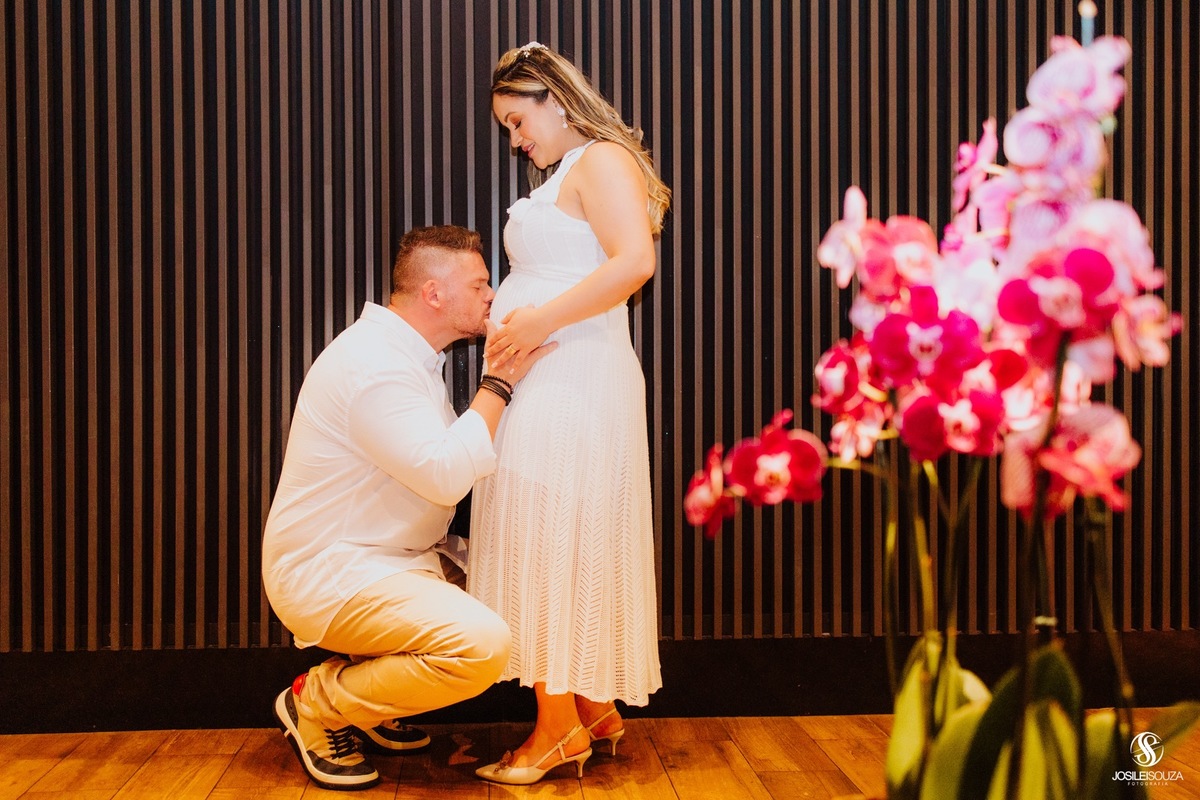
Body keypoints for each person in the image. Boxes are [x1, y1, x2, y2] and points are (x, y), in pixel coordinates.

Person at [261, 225, 555, 791]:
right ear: (434, 294)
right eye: (480, 283)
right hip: (333, 571)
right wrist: (498, 381)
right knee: (481, 646)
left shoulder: (407, 356)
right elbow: (445, 476)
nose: (492, 296)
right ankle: (318, 705)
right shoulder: (376, 366)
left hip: (388, 557)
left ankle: (368, 703)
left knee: (526, 586)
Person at [468, 42, 671, 785]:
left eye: (519, 120)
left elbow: (633, 264)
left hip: (572, 375)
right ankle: (588, 706)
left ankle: (556, 730)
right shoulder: (570, 173)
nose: (516, 138)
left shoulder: (602, 161)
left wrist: (535, 322)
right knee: (558, 524)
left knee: (551, 527)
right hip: (557, 373)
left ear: (555, 98)